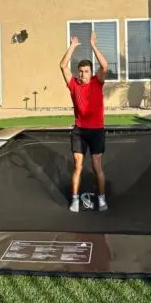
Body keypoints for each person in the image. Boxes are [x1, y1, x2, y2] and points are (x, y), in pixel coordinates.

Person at [59, 32, 109, 212]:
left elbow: (104, 66)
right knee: (78, 166)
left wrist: (93, 46)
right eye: (80, 71)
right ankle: (74, 200)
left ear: (91, 72)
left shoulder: (97, 82)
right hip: (79, 131)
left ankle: (101, 199)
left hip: (96, 131)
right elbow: (62, 66)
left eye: (86, 71)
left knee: (97, 167)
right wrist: (73, 46)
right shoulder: (73, 85)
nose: (83, 74)